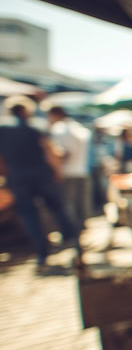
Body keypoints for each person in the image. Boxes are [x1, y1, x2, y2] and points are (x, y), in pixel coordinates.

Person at [0, 97, 78, 267]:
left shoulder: (3, 129)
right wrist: (57, 171)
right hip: (42, 175)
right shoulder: (37, 126)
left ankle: (42, 253)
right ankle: (73, 243)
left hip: (18, 177)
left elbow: (1, 159)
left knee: (29, 216)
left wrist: (7, 176)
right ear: (26, 111)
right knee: (58, 209)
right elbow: (49, 150)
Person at [48, 106, 91, 228]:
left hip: (67, 172)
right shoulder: (78, 127)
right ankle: (80, 230)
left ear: (55, 114)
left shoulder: (60, 129)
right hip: (81, 170)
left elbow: (65, 153)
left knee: (69, 205)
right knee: (80, 204)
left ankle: (73, 232)